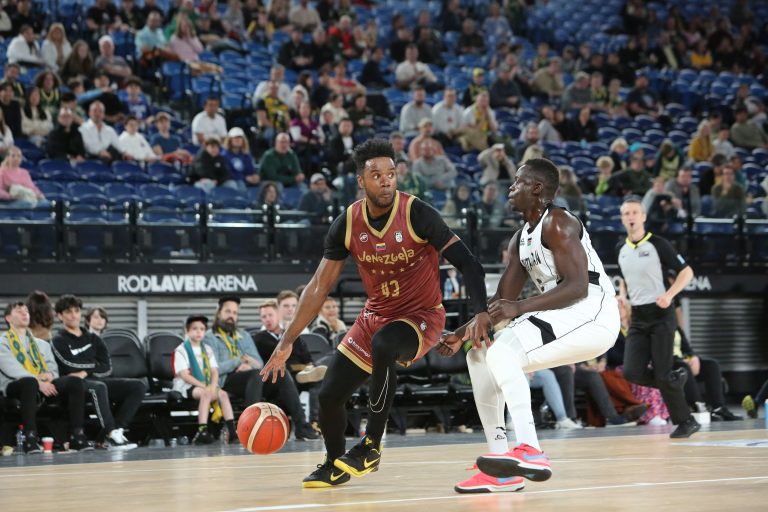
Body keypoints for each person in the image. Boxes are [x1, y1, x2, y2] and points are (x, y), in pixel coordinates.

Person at [260, 138, 491, 488]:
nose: (386, 180)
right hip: (376, 315)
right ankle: (334, 463)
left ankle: (371, 446)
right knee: (328, 396)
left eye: (391, 173)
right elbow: (318, 286)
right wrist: (287, 340)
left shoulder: (416, 213)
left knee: (385, 343)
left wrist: (479, 315)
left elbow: (470, 266)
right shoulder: (348, 223)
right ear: (361, 181)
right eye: (377, 175)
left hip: (422, 315)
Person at [437, 158, 620, 492]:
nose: (511, 188)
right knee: (479, 355)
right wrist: (462, 333)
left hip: (593, 312)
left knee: (504, 351)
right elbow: (502, 301)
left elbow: (578, 285)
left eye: (518, 182)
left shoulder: (559, 222)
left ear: (537, 189)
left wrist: (519, 306)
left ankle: (532, 450)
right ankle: (501, 465)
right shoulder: (520, 239)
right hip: (561, 314)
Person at [616, 198, 699, 438]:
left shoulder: (658, 244)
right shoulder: (620, 248)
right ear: (622, 219)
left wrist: (670, 295)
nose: (630, 217)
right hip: (639, 317)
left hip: (662, 314)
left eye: (634, 212)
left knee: (662, 374)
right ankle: (676, 378)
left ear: (643, 216)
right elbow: (624, 277)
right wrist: (622, 296)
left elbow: (687, 272)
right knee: (632, 372)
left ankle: (686, 421)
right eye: (626, 214)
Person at [203, 297, 319, 440]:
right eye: (228, 312)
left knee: (281, 373)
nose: (231, 316)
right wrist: (239, 361)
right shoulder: (209, 337)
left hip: (250, 377)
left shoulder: (243, 335)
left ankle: (302, 427)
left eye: (235, 313)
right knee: (256, 375)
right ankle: (250, 427)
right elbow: (215, 368)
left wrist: (247, 364)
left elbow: (258, 363)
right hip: (225, 380)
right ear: (219, 312)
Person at [51, 295, 145, 450]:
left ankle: (118, 430)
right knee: (98, 387)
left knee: (138, 386)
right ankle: (110, 434)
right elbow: (68, 364)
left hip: (93, 379)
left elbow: (107, 367)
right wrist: (93, 366)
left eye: (76, 311)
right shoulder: (58, 340)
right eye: (68, 312)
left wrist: (85, 371)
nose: (74, 315)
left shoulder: (94, 339)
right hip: (74, 385)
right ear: (60, 316)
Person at [0, 301, 93, 453]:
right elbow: (12, 369)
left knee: (74, 382)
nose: (25, 313)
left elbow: (52, 369)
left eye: (26, 311)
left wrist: (50, 376)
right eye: (19, 311)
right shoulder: (2, 343)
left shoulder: (41, 344)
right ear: (8, 318)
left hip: (44, 383)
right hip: (14, 385)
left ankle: (77, 435)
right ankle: (30, 438)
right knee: (29, 382)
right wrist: (38, 382)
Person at [173, 315, 236, 444]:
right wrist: (204, 387)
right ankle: (202, 431)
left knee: (223, 394)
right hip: (187, 385)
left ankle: (233, 432)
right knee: (206, 394)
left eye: (202, 329)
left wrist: (213, 386)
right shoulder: (181, 350)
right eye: (195, 329)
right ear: (187, 331)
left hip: (206, 384)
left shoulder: (207, 349)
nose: (198, 332)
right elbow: (184, 375)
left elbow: (214, 370)